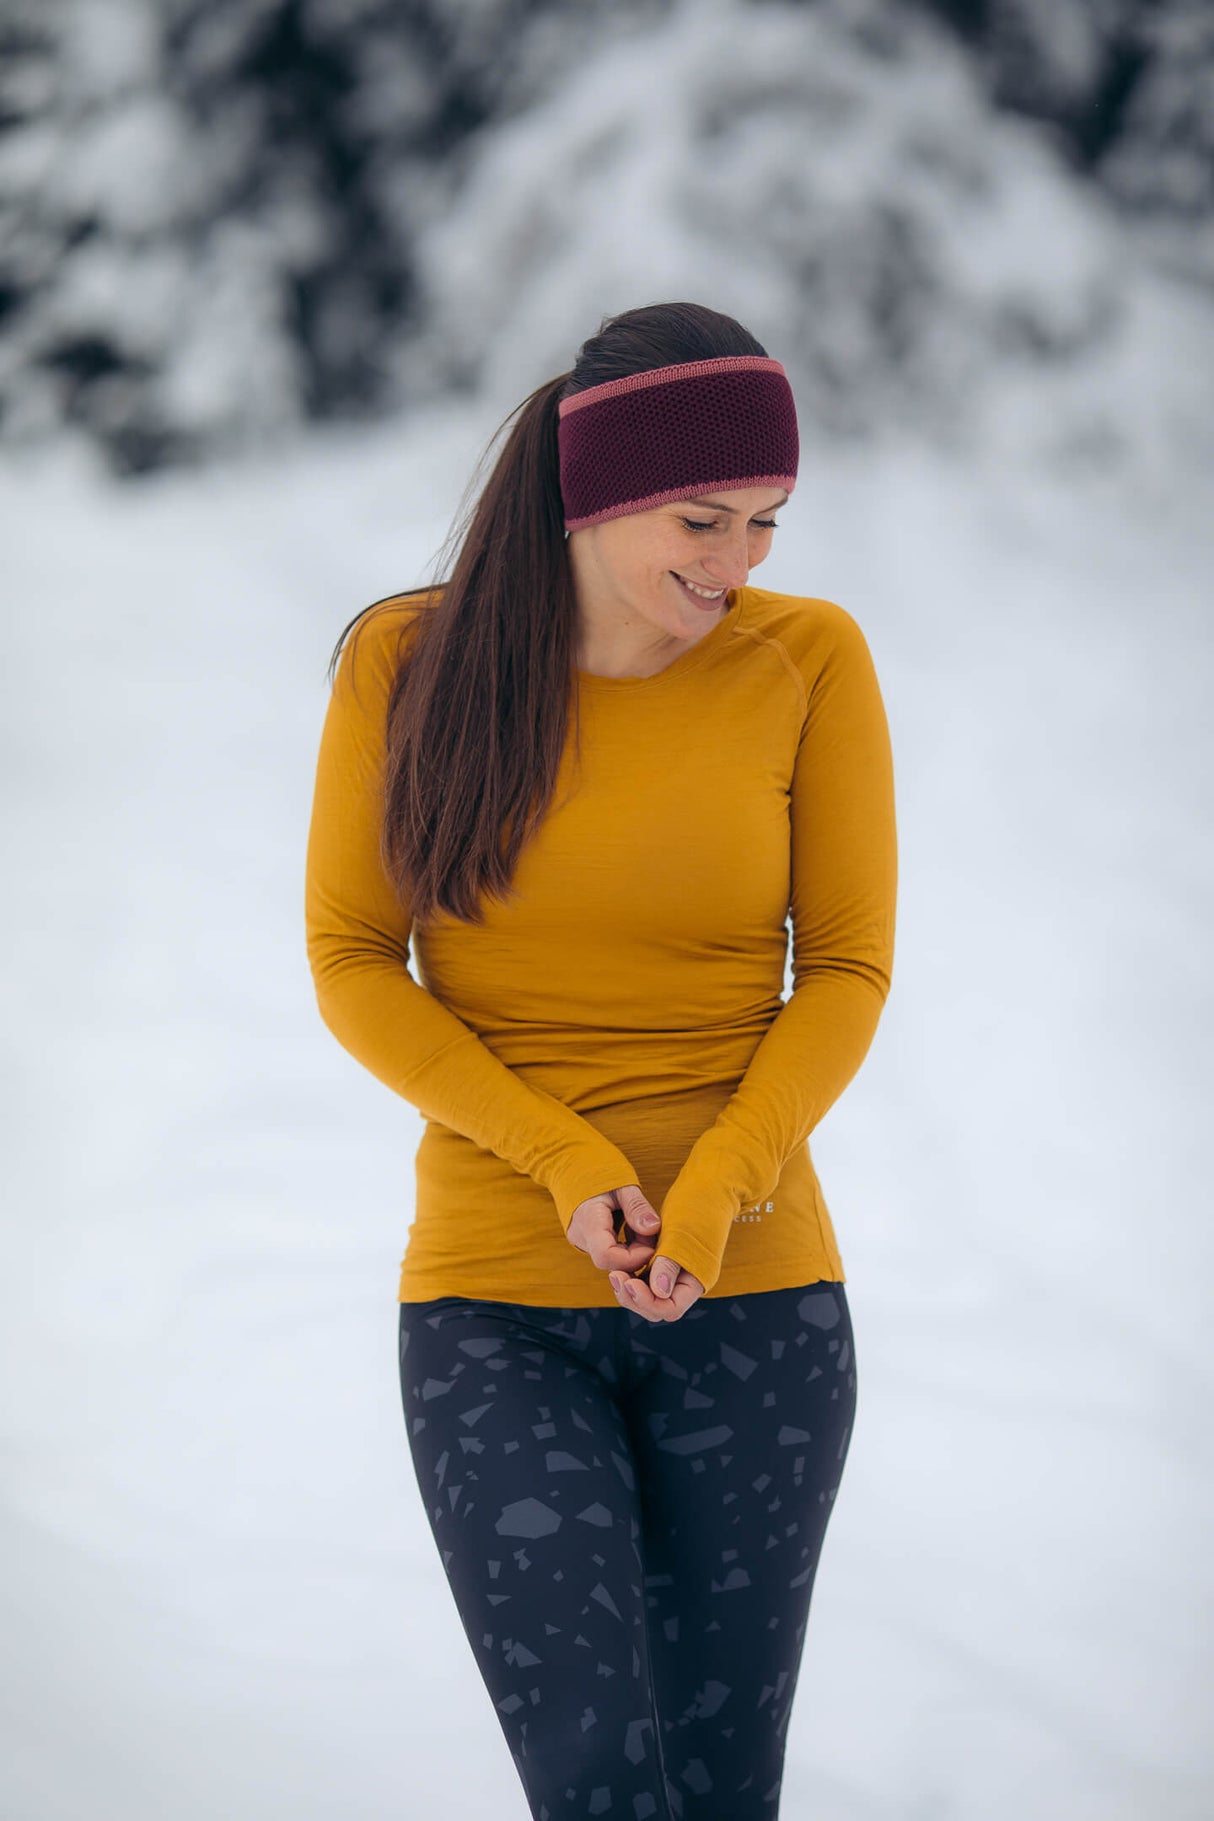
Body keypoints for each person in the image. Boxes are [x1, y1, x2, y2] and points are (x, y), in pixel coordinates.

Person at [304, 300, 897, 1819]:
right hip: (495, 1302)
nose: (739, 560)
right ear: (594, 490)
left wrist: (713, 1190)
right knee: (591, 1779)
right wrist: (570, 1164)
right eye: (703, 519)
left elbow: (839, 968)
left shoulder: (809, 659)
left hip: (755, 1297)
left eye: (766, 521)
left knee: (717, 1788)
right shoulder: (406, 662)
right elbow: (356, 963)